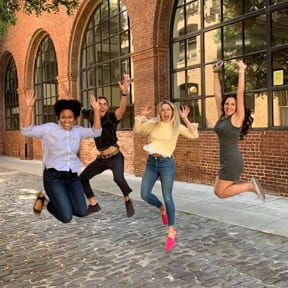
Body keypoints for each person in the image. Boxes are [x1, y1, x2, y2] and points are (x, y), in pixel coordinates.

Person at [21, 88, 102, 223]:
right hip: (54, 178)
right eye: (63, 117)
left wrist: (97, 111)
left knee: (81, 212)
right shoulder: (49, 129)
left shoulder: (78, 131)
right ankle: (45, 201)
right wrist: (29, 107)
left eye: (70, 117)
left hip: (72, 177)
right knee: (66, 217)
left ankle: (57, 201)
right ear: (58, 117)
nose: (66, 120)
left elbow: (97, 132)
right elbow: (26, 131)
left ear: (75, 119)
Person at [133, 100, 199, 251]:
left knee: (168, 196)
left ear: (172, 111)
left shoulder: (176, 127)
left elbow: (194, 135)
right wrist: (142, 115)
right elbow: (137, 129)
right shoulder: (153, 123)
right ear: (159, 112)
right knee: (144, 194)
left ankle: (171, 231)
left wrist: (185, 119)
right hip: (151, 163)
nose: (165, 112)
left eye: (168, 109)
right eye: (163, 110)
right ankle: (161, 207)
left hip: (167, 164)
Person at [80, 74, 135, 218]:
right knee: (82, 178)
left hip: (115, 157)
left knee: (118, 178)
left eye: (105, 104)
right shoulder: (92, 114)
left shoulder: (111, 117)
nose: (102, 106)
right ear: (96, 105)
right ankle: (93, 204)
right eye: (99, 104)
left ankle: (128, 201)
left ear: (107, 107)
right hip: (101, 159)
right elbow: (78, 109)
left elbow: (122, 110)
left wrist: (124, 93)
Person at [213, 60, 265, 202]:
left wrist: (241, 71)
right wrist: (215, 72)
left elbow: (240, 93)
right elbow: (217, 94)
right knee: (218, 192)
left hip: (232, 160)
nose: (229, 106)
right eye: (227, 104)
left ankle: (250, 186)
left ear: (237, 107)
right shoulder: (222, 117)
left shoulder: (237, 118)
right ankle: (249, 186)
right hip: (225, 159)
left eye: (232, 104)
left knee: (222, 193)